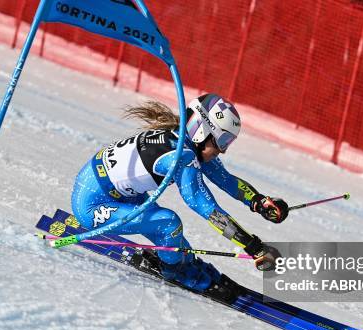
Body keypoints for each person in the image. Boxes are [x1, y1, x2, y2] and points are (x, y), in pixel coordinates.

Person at [71, 93, 288, 297]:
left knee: (177, 244)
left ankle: (183, 263)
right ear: (202, 131)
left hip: (118, 194)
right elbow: (206, 209)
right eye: (222, 142)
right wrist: (253, 247)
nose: (222, 151)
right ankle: (174, 272)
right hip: (93, 205)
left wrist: (259, 201)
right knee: (169, 224)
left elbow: (227, 180)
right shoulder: (181, 157)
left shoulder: (183, 142)